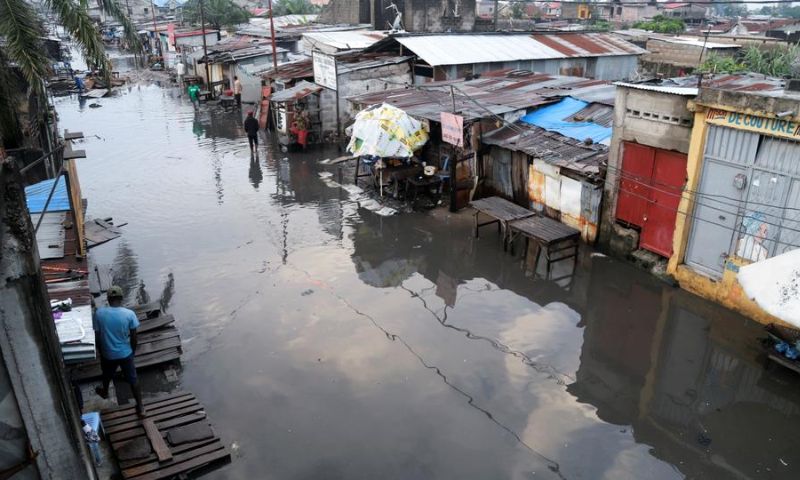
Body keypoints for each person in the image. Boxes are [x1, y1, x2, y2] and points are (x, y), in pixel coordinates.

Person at [93, 286, 146, 417]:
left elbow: (97, 337)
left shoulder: (99, 313)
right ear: (121, 299)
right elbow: (134, 338)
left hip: (108, 354)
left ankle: (104, 391)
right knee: (133, 379)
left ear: (108, 299)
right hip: (125, 353)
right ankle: (141, 407)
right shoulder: (129, 314)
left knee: (106, 374)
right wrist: (131, 353)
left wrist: (101, 352)